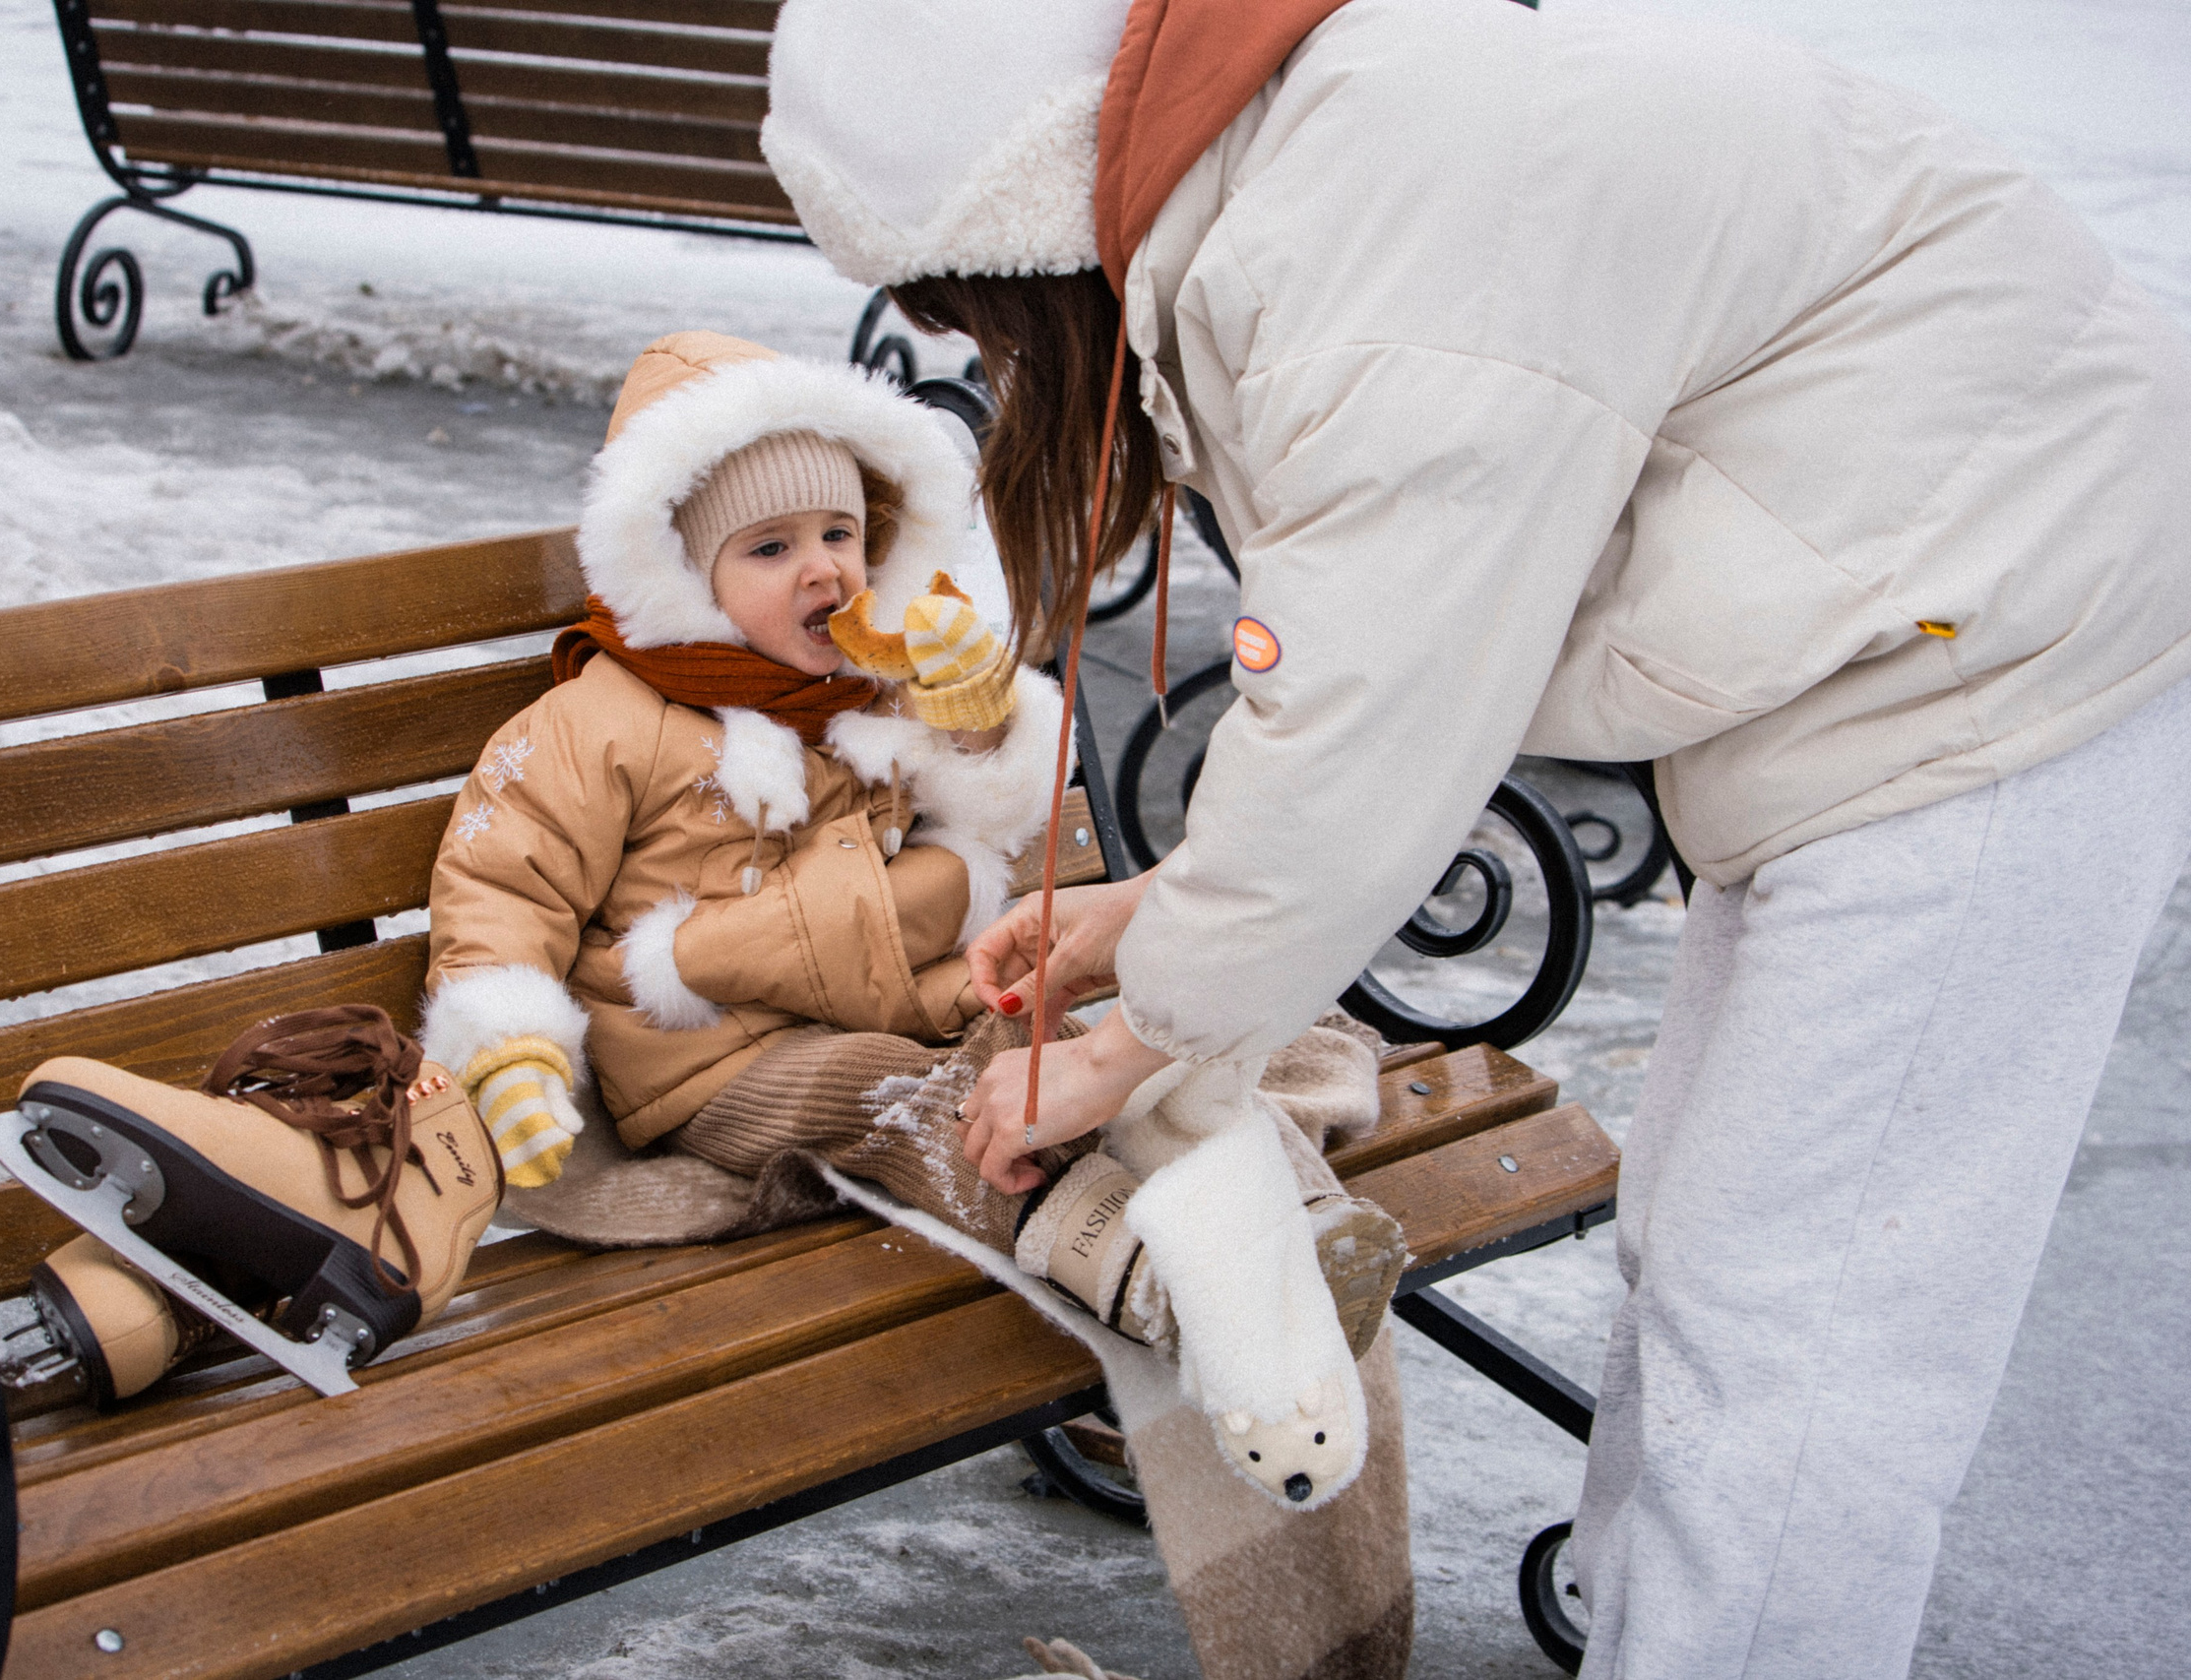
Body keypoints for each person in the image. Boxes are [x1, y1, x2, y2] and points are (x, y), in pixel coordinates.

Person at [758, 0, 2191, 1675]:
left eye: (979, 320)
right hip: (1911, 627)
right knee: (1722, 1253)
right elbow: (1421, 659)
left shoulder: (1364, 241)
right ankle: (1656, 1618)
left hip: (2000, 645)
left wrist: (1132, 1041)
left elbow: (1375, 708)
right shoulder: (1336, 149)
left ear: (1018, 220)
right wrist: (1152, 915)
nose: (1003, 362)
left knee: (1808, 1333)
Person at [0, 333, 1402, 1433]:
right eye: (771, 548)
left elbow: (1002, 832)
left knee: (1065, 1052)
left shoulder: (871, 686)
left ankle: (1271, 1219)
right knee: (904, 1104)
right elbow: (504, 893)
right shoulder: (601, 721)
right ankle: (1142, 1268)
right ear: (684, 567)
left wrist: (977, 714)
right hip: (713, 1071)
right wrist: (511, 1060)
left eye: (841, 536)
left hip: (908, 1001)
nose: (823, 571)